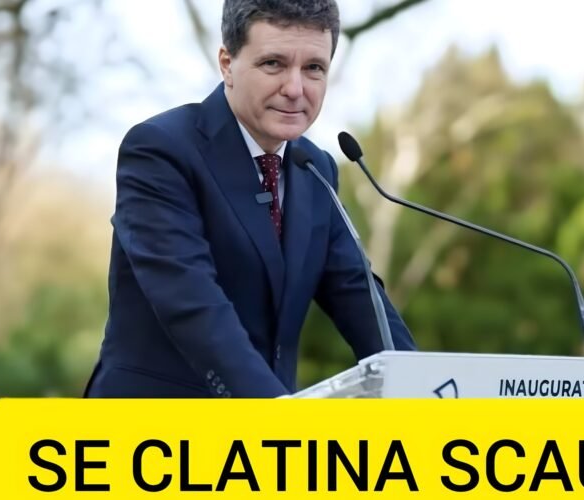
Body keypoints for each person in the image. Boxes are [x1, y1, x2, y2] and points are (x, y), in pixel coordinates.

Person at [84, 0, 415, 398]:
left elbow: (359, 296)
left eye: (314, 68)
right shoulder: (160, 150)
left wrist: (425, 391)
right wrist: (274, 415)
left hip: (268, 428)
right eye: (274, 64)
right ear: (227, 64)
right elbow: (193, 304)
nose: (295, 89)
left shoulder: (316, 169)